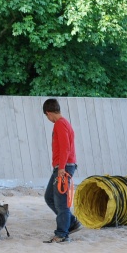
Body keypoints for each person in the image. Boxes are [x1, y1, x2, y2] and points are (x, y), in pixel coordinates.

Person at [42, 98, 82, 243]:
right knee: (50, 197)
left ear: (48, 113)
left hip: (63, 167)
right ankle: (71, 222)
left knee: (60, 201)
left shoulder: (60, 124)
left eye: (47, 116)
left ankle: (62, 234)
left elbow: (65, 147)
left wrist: (62, 168)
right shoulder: (64, 123)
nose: (48, 119)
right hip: (63, 166)